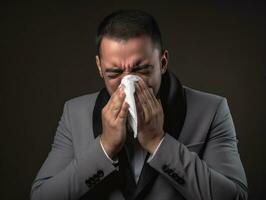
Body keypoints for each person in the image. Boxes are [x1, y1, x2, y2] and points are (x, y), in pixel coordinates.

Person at [31, 9, 248, 200]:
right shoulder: (74, 112)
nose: (128, 84)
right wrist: (105, 147)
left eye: (141, 70)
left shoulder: (211, 110)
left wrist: (159, 143)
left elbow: (235, 196)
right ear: (99, 67)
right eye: (115, 72)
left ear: (162, 62)